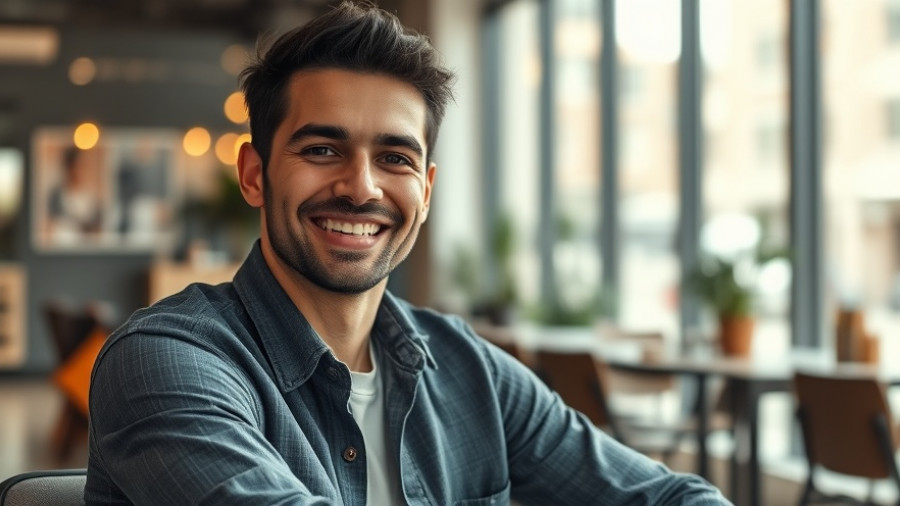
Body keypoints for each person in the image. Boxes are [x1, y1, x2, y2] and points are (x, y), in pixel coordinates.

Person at [86, 2, 730, 504]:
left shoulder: (468, 368)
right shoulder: (167, 361)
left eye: (394, 158)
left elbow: (671, 494)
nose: (361, 187)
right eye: (321, 150)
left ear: (424, 190)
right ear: (254, 174)